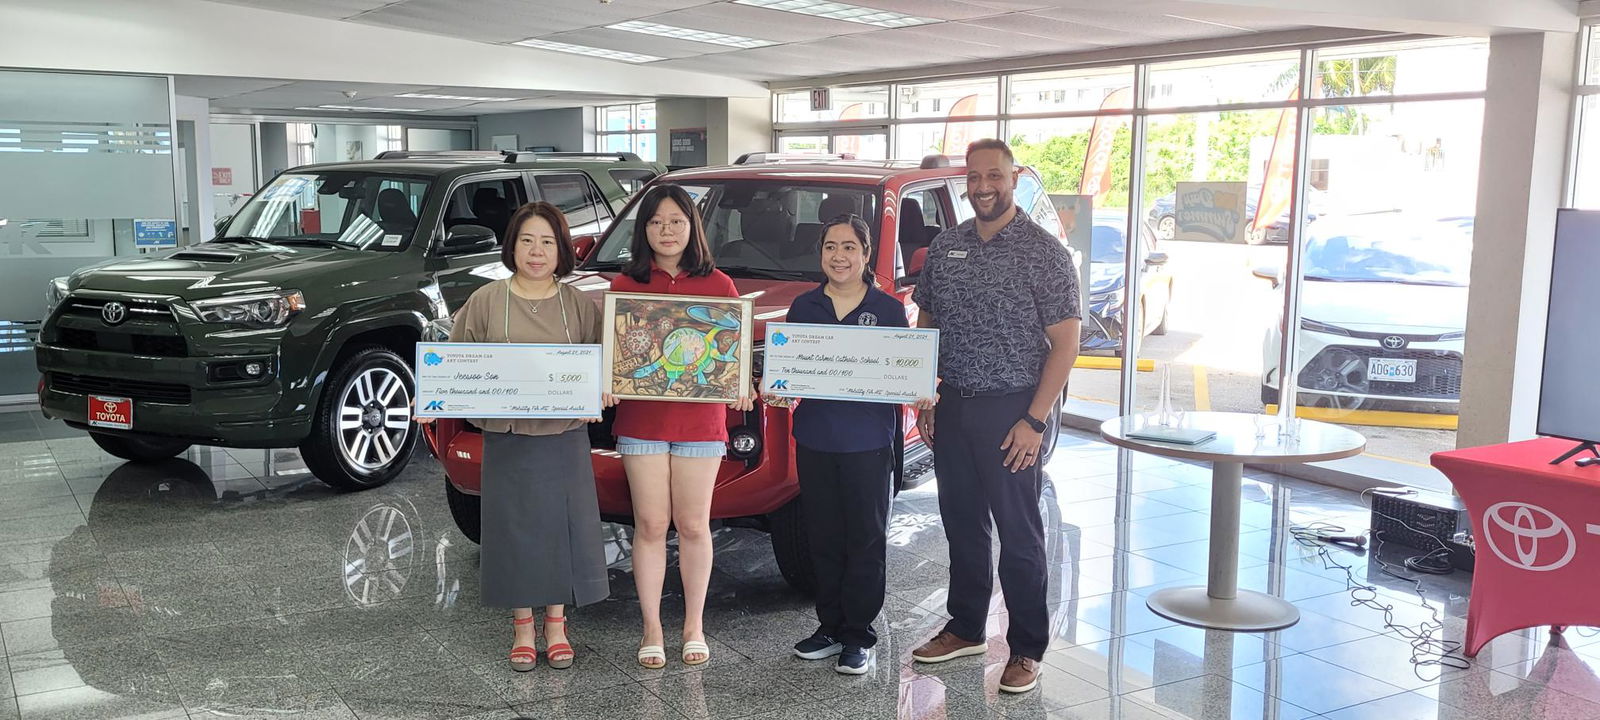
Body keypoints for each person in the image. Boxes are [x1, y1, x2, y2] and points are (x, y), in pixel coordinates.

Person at [909, 139, 1081, 694]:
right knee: (961, 523)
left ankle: (1027, 647)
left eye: (995, 176)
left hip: (1014, 409)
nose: (984, 186)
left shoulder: (1043, 251)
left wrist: (1034, 421)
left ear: (1013, 179)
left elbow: (1067, 344)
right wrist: (925, 393)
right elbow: (927, 318)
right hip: (953, 403)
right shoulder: (947, 245)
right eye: (975, 177)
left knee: (1020, 531)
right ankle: (966, 627)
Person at [417, 202, 610, 672]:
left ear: (561, 249)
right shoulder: (485, 301)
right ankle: (523, 627)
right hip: (507, 439)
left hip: (563, 439)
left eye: (547, 241)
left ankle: (557, 626)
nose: (537, 251)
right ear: (513, 246)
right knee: (514, 531)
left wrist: (597, 389)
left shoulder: (579, 306)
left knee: (560, 529)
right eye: (527, 241)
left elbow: (600, 366)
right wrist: (437, 397)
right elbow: (457, 365)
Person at [777, 215, 934, 675]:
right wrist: (777, 389)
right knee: (823, 536)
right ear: (820, 253)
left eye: (849, 247)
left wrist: (919, 387)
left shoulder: (886, 310)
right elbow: (792, 375)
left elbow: (904, 372)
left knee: (864, 539)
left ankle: (859, 635)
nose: (839, 256)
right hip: (816, 438)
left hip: (868, 442)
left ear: (866, 256)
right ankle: (829, 628)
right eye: (830, 247)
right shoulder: (804, 308)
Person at [607, 183, 753, 670]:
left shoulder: (719, 287)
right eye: (654, 222)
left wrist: (741, 386)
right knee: (649, 525)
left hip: (701, 425)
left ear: (692, 226)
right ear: (642, 230)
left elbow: (729, 359)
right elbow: (615, 358)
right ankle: (651, 627)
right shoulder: (624, 288)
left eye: (674, 220)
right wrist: (604, 381)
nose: (665, 231)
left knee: (693, 525)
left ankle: (693, 625)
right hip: (641, 422)